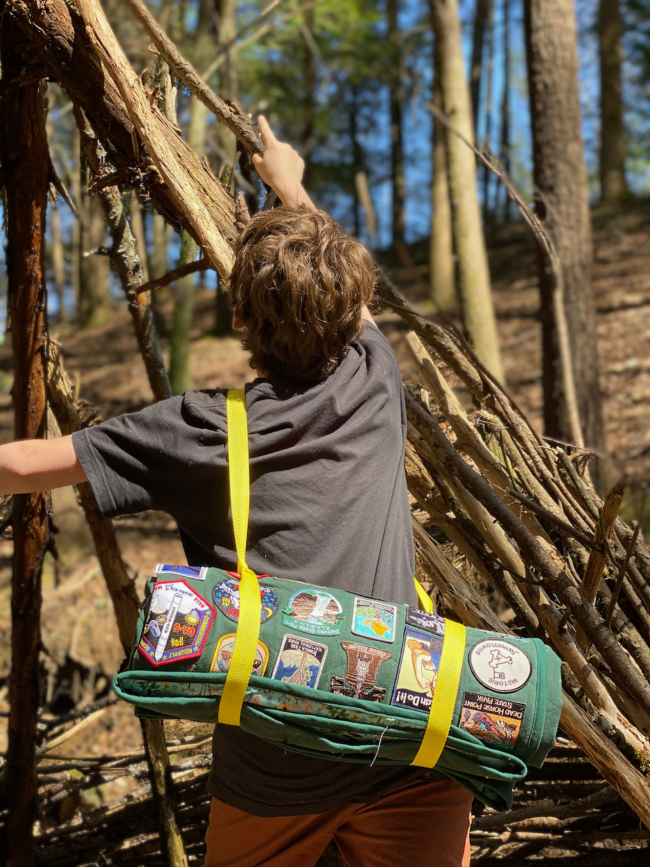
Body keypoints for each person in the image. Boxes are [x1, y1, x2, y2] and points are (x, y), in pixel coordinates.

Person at [0, 118, 473, 866]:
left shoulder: (199, 430)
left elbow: (25, 467)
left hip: (276, 768)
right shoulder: (374, 379)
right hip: (408, 737)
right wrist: (289, 183)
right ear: (354, 304)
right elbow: (346, 301)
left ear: (241, 319)